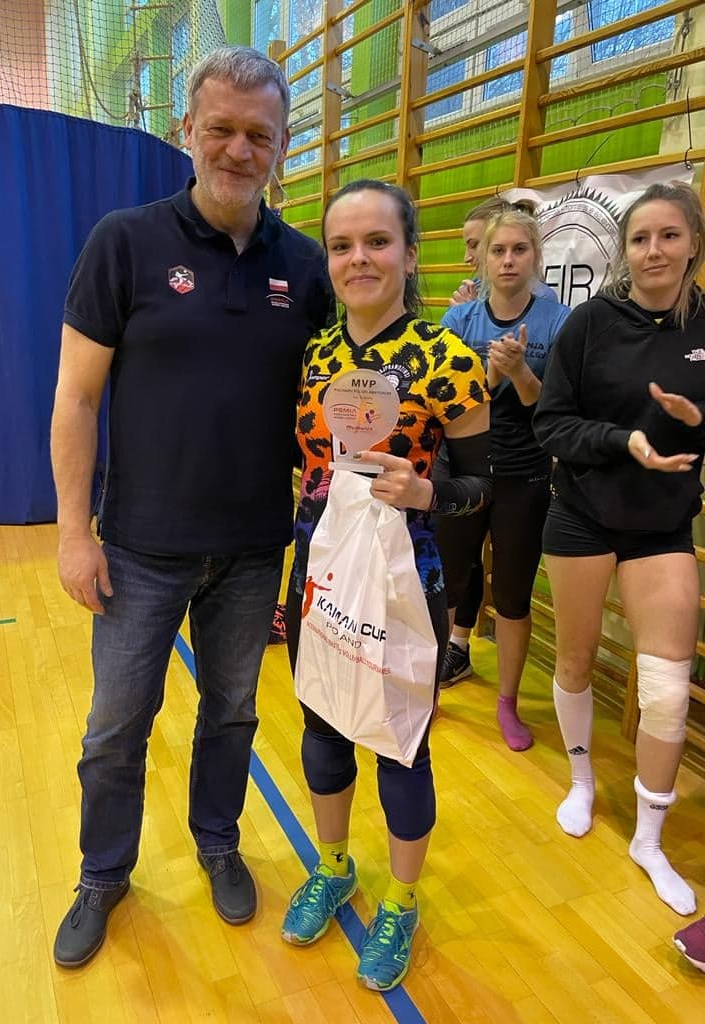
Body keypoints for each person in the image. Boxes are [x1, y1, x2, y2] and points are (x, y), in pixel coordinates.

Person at [49, 46, 333, 968]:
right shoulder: (124, 242)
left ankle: (218, 842)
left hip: (253, 549)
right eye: (222, 129)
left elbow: (340, 401)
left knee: (233, 714)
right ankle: (103, 874)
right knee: (115, 730)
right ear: (188, 131)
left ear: (282, 146)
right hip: (139, 548)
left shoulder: (305, 265)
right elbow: (75, 398)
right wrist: (73, 533)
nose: (239, 150)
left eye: (259, 135)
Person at [280, 179, 491, 991]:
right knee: (323, 722)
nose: (358, 258)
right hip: (319, 569)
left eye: (377, 241)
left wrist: (428, 492)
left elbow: (487, 483)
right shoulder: (314, 353)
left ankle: (401, 901)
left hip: (409, 577)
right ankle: (333, 867)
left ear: (409, 253)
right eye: (341, 245)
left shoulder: (449, 360)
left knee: (402, 746)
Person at [532, 181, 705, 916]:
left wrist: (696, 421)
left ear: (693, 245)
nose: (654, 250)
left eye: (669, 236)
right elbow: (551, 422)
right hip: (582, 514)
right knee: (573, 662)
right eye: (640, 238)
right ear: (624, 250)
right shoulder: (590, 323)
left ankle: (650, 839)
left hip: (662, 526)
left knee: (665, 686)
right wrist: (622, 440)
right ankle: (581, 781)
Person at [436, 209, 571, 750]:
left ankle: (508, 703)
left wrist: (520, 373)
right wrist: (492, 375)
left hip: (525, 475)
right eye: (498, 250)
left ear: (536, 255)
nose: (509, 260)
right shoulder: (458, 321)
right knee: (448, 583)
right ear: (483, 258)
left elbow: (555, 410)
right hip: (464, 472)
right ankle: (430, 689)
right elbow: (449, 406)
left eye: (519, 249)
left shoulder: (559, 322)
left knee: (513, 596)